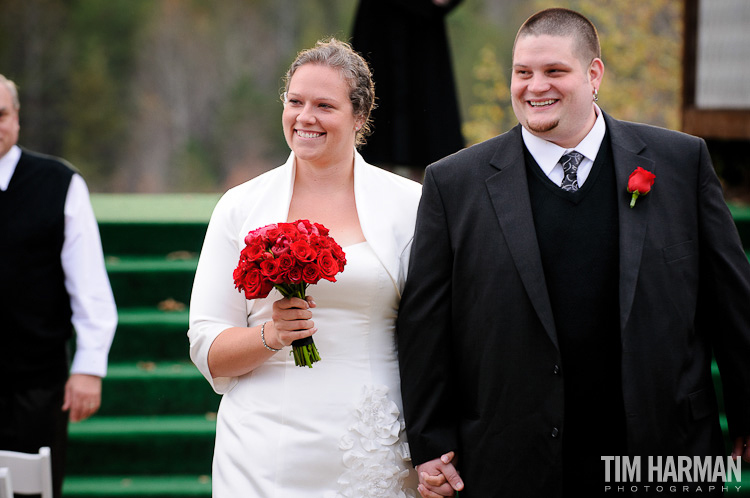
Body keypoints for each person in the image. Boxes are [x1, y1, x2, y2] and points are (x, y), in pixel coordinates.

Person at [396, 8, 750, 498]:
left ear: (593, 74)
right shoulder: (453, 183)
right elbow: (425, 328)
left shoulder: (681, 162)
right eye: (523, 72)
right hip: (511, 459)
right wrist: (431, 444)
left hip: (666, 454)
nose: (534, 86)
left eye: (553, 71)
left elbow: (733, 304)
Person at [188, 38, 422, 497]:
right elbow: (207, 345)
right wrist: (269, 336)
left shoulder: (409, 205)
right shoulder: (240, 207)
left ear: (359, 116)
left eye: (324, 105)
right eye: (295, 101)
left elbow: (437, 335)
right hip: (262, 449)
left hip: (370, 442)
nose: (305, 117)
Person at [0, 74, 117, 498]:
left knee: (33, 492)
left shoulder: (60, 183)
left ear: (17, 118)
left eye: (1, 114)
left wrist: (88, 366)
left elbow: (89, 283)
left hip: (36, 381)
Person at [350, 0, 464, 177]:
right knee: (373, 130)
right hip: (379, 27)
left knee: (427, 131)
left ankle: (424, 201)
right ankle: (372, 197)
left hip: (422, 31)